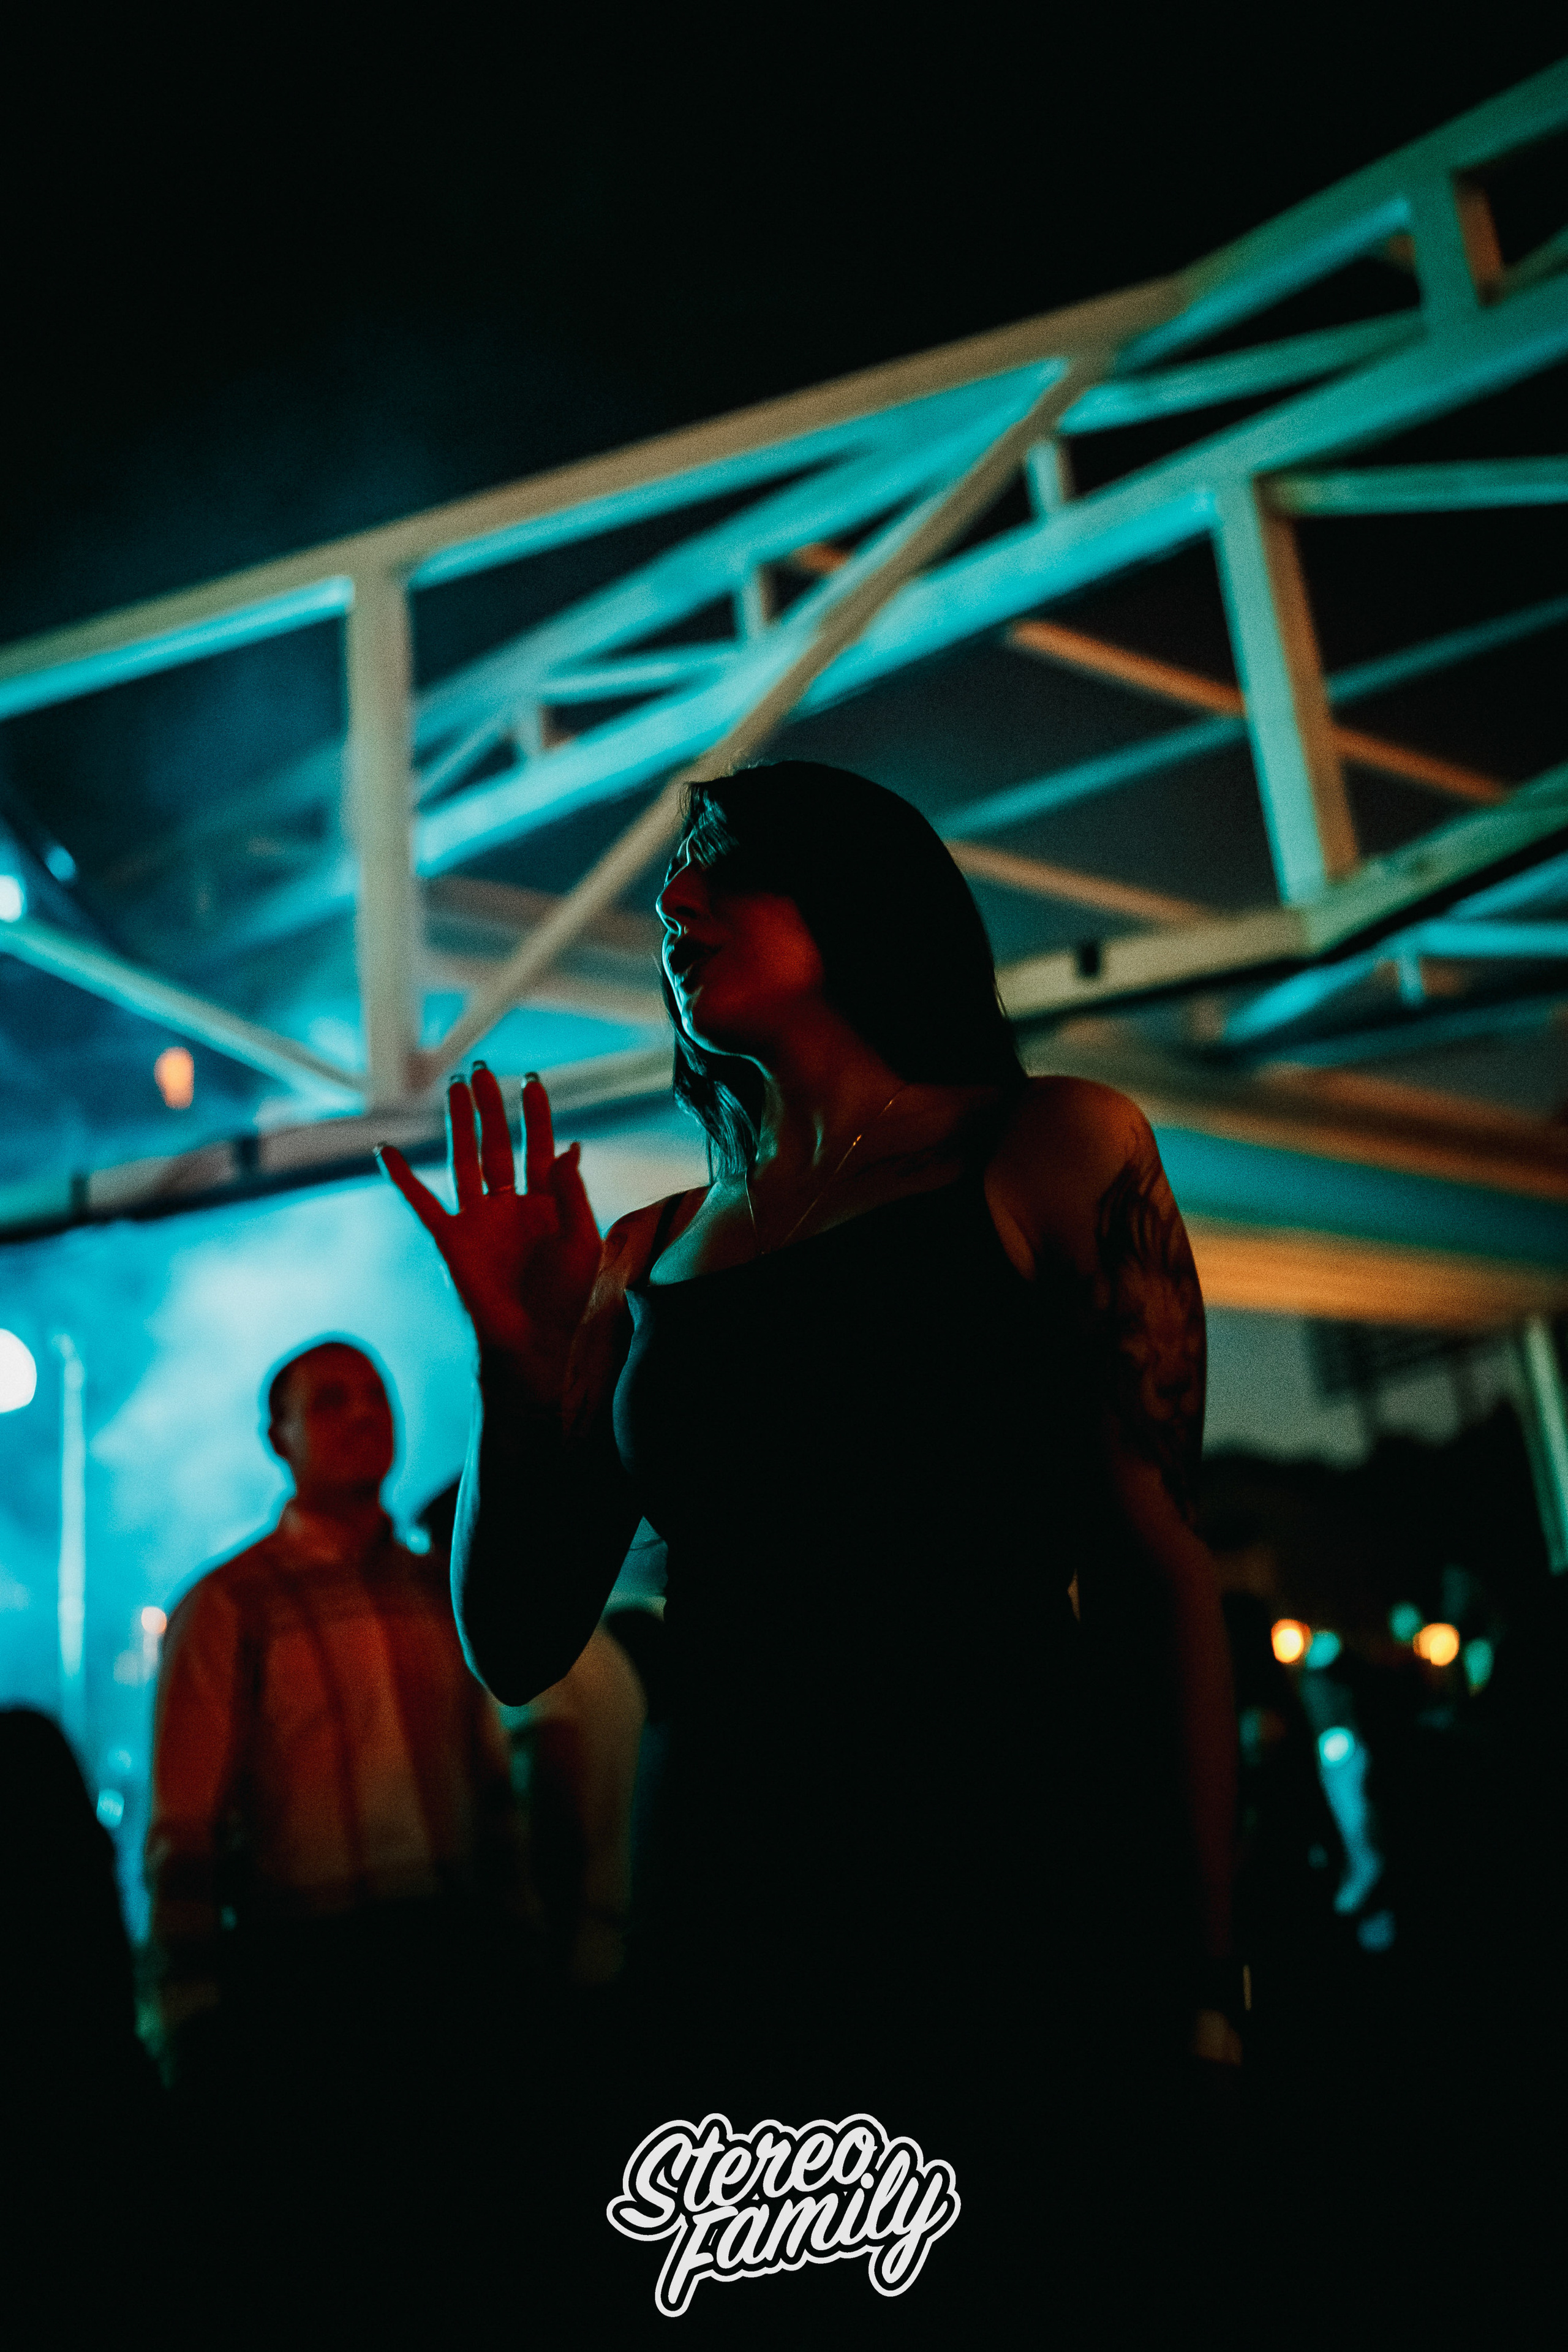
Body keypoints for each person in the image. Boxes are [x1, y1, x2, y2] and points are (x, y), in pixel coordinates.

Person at [380, 763, 1240, 2335]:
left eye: (716, 869)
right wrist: (510, 1369)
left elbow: (1156, 1571)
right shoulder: (651, 1254)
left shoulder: (1048, 1145)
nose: (668, 906)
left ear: (856, 902)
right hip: (725, 1900)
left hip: (1001, 1884)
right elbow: (514, 1637)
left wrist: (1200, 1983)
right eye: (665, 890)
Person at [143, 1339, 529, 2293]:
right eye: (330, 1402)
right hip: (307, 1982)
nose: (362, 1416)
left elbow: (489, 1786)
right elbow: (181, 1830)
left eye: (375, 1397)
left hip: (450, 1960)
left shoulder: (434, 1591)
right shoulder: (230, 1604)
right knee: (342, 2255)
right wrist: (190, 2012)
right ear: (278, 1438)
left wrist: (524, 1943)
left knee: (454, 2245)